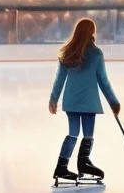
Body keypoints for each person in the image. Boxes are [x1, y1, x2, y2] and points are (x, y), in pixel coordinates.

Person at [48, 18, 120, 184]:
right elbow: (103, 81)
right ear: (92, 32)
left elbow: (59, 79)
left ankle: (62, 167)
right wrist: (114, 102)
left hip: (72, 101)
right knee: (88, 135)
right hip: (89, 102)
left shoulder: (68, 53)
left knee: (73, 133)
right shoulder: (96, 54)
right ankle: (84, 164)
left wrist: (53, 100)